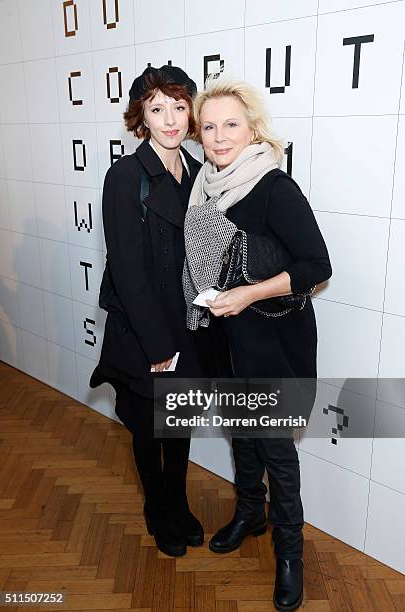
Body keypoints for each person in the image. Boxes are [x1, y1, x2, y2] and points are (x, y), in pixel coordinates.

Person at [183, 77, 332, 610]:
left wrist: (248, 294)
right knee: (241, 435)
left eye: (231, 125)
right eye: (209, 126)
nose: (219, 138)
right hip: (225, 337)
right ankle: (251, 512)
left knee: (274, 449)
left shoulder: (272, 186)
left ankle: (291, 553)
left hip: (271, 339)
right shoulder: (204, 185)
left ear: (252, 131)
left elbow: (317, 267)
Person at [90, 65, 219, 558]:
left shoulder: (199, 173)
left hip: (187, 324)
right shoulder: (124, 176)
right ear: (141, 115)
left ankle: (178, 500)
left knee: (179, 422)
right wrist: (159, 346)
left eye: (179, 107)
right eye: (158, 108)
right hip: (145, 331)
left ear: (191, 113)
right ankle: (157, 505)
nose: (170, 119)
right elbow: (126, 268)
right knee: (147, 426)